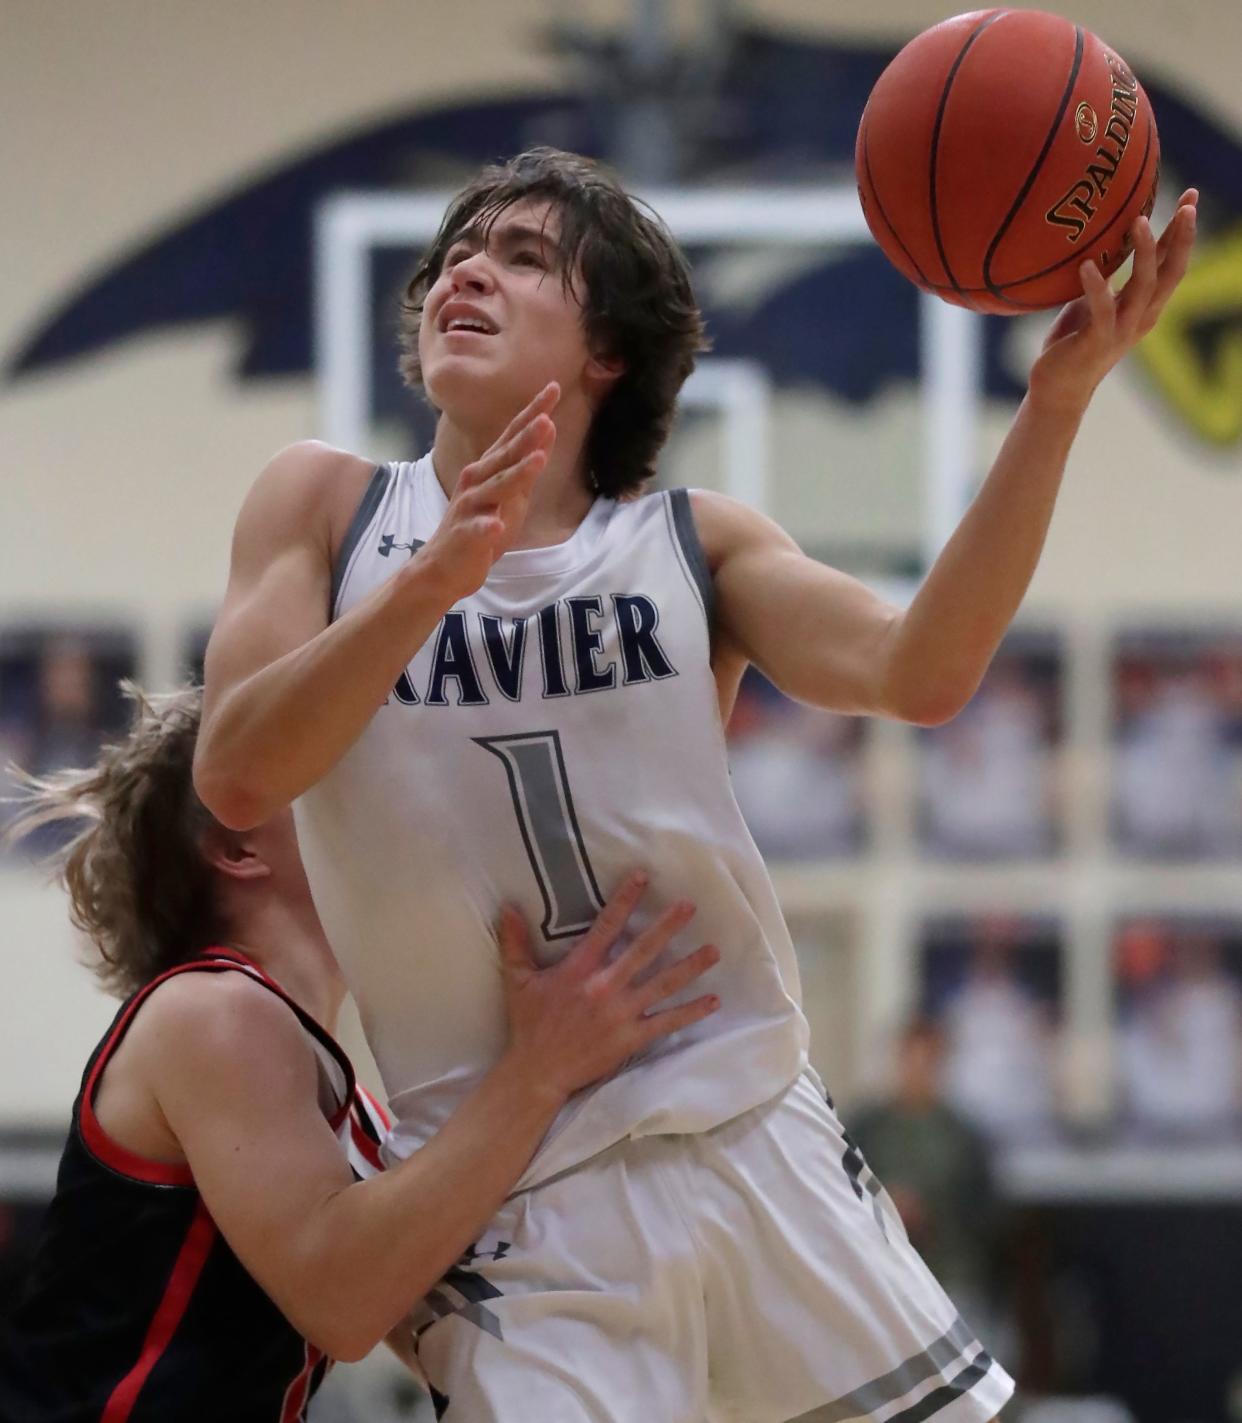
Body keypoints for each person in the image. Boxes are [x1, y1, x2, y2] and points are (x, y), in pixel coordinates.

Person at [194, 147, 1198, 1421]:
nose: (468, 270)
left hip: (748, 1130)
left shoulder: (688, 541)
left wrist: (1054, 405)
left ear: (604, 351)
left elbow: (922, 669)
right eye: (460, 251)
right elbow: (236, 771)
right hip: (514, 1189)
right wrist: (429, 586)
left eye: (522, 257)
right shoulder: (325, 511)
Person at [0, 684, 719, 1422]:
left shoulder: (349, 1112)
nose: (368, 787)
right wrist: (538, 1070)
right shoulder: (211, 1010)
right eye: (324, 770)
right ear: (237, 844)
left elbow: (453, 1329)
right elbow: (341, 1299)